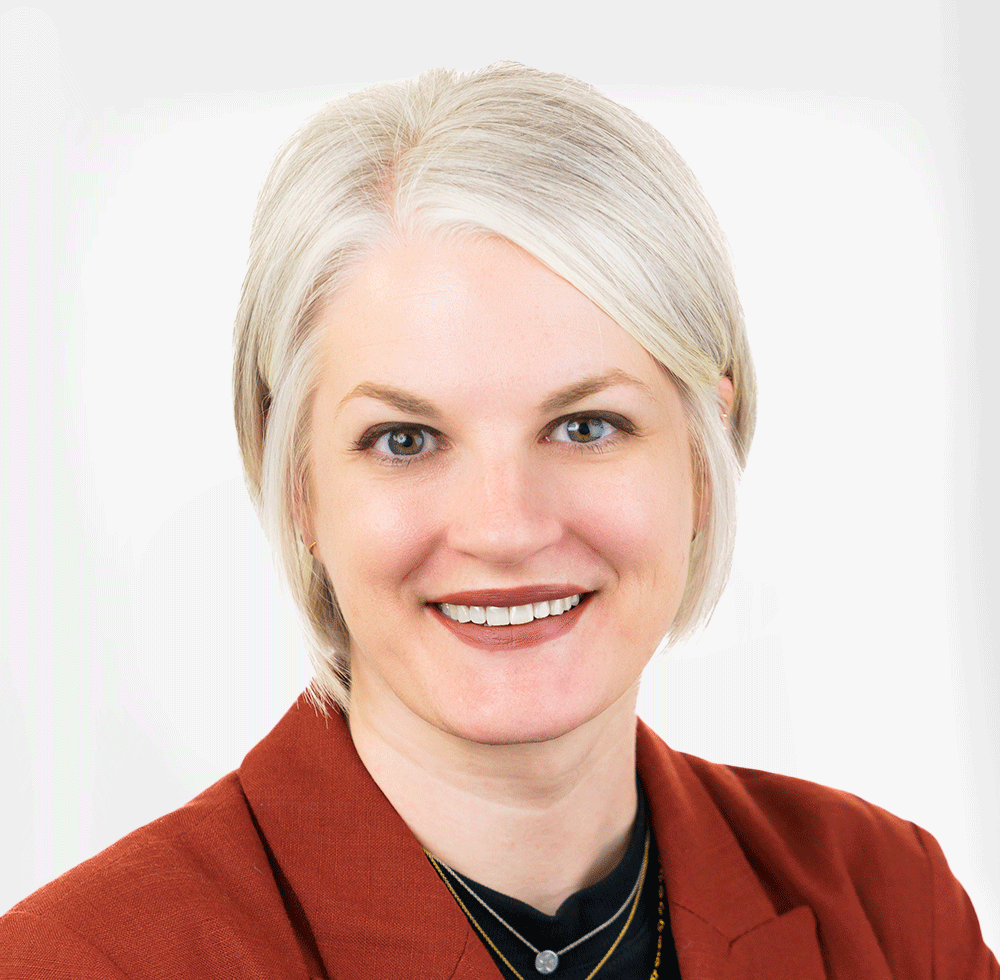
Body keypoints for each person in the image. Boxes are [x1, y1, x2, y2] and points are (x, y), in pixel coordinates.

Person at [1, 62, 996, 979]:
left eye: (585, 423)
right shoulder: (85, 959)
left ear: (700, 454)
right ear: (293, 478)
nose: (505, 525)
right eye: (403, 439)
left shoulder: (886, 907)